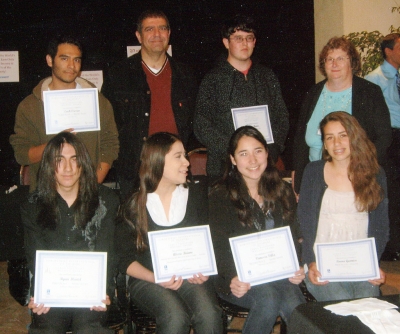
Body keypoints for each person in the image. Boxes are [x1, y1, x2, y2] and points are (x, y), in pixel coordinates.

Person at [114, 132, 222, 333]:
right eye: (178, 156)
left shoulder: (198, 197)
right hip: (148, 279)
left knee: (210, 314)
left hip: (190, 277)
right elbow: (124, 259)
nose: (187, 162)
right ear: (157, 161)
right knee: (174, 316)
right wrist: (156, 278)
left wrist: (204, 271)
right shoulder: (134, 204)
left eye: (185, 156)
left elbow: (212, 243)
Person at [209, 126, 305, 334]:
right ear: (233, 160)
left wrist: (296, 266)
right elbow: (217, 245)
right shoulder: (221, 195)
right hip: (237, 278)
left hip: (277, 272)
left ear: (267, 154)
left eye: (258, 151)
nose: (253, 160)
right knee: (268, 299)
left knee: (296, 307)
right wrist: (232, 277)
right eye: (243, 154)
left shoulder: (283, 190)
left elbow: (293, 234)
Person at [23, 132, 120, 333]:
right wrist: (39, 293)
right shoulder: (32, 205)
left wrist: (103, 292)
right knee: (46, 328)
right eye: (59, 160)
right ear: (49, 165)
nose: (68, 168)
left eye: (74, 160)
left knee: (90, 328)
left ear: (83, 163)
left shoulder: (106, 201)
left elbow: (108, 252)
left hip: (91, 292)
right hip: (53, 293)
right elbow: (35, 255)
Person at [102, 10, 197, 198]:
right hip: (134, 171)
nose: (156, 34)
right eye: (149, 29)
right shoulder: (118, 75)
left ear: (169, 34)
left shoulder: (185, 74)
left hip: (176, 169)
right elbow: (108, 126)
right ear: (139, 35)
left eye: (162, 28)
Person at [298, 112, 388, 302]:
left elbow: (381, 227)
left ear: (354, 137)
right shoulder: (313, 172)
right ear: (324, 144)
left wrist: (373, 263)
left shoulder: (375, 174)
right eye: (330, 138)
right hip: (321, 263)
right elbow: (304, 223)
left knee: (368, 306)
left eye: (343, 135)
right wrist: (311, 263)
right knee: (342, 305)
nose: (336, 143)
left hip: (360, 263)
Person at [9, 36, 119, 192]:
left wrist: (93, 185)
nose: (71, 66)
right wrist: (54, 143)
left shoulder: (98, 101)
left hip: (88, 194)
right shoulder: (30, 106)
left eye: (76, 60)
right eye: (64, 58)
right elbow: (21, 154)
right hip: (46, 196)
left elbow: (110, 146)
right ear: (49, 60)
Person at [293, 36, 391, 196]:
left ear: (352, 62)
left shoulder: (369, 92)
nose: (334, 64)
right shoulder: (313, 93)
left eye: (340, 58)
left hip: (356, 178)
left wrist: (361, 168)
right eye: (329, 59)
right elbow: (299, 141)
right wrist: (299, 179)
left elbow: (384, 137)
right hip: (315, 179)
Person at [194, 15, 289, 182]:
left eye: (249, 38)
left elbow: (282, 117)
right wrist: (233, 150)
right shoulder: (212, 80)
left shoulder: (267, 76)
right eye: (238, 38)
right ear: (226, 42)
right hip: (224, 168)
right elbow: (201, 125)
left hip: (262, 166)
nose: (245, 44)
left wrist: (271, 149)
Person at [365, 33, 400, 260]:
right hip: (391, 141)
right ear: (388, 51)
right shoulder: (373, 80)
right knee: (393, 194)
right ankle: (392, 246)